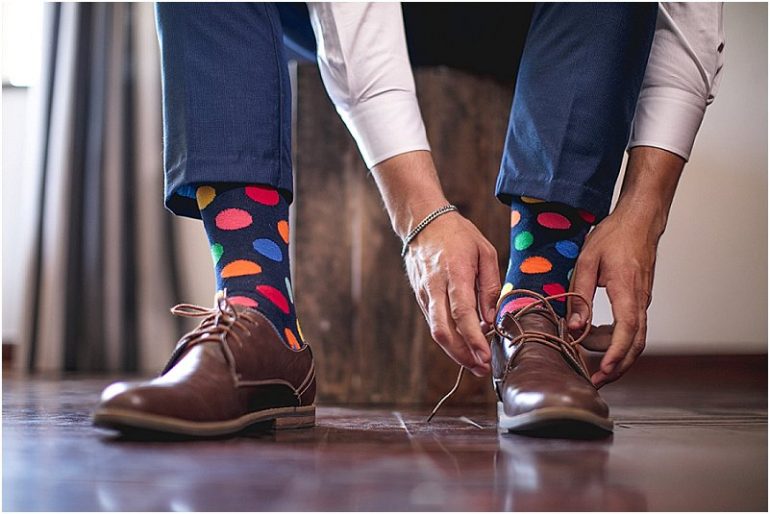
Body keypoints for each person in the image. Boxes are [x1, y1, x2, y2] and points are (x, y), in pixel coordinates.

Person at [93, 3, 724, 437]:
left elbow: (684, 13)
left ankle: (534, 312)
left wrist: (643, 210)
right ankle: (260, 319)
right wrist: (423, 215)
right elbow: (353, 17)